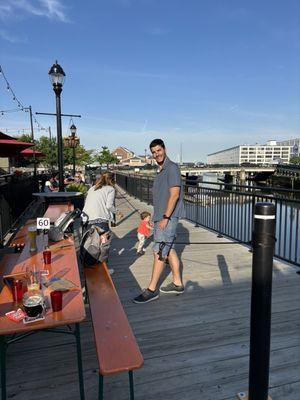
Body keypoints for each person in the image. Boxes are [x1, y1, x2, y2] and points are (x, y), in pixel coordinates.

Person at [133, 138, 185, 304]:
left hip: (166, 218)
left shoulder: (172, 168)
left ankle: (151, 290)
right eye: (154, 152)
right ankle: (177, 283)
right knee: (168, 249)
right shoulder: (161, 170)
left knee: (159, 252)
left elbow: (175, 194)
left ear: (164, 149)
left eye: (159, 150)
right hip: (160, 217)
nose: (157, 154)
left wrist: (165, 217)